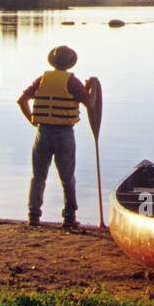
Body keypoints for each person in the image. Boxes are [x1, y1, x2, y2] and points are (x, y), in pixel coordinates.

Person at [17, 45, 94, 231]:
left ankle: (33, 216)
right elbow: (90, 103)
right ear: (70, 63)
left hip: (42, 132)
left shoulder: (42, 79)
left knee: (38, 176)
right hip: (64, 134)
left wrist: (32, 120)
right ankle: (69, 218)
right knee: (67, 177)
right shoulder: (72, 81)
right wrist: (90, 88)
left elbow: (22, 100)